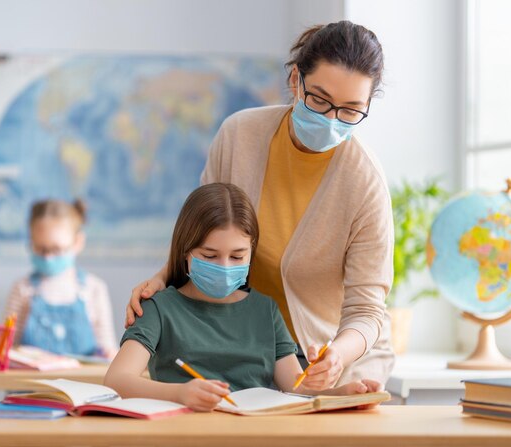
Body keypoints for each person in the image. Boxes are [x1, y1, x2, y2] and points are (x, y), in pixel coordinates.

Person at [126, 20, 395, 389]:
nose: (331, 119)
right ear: (295, 81)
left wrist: (337, 355)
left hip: (321, 357)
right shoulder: (240, 135)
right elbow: (202, 230)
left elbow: (367, 309)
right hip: (242, 345)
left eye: (350, 110)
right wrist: (161, 279)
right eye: (319, 99)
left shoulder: (365, 182)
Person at [105, 183, 381, 411]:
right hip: (185, 435)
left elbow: (296, 388)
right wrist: (179, 394)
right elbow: (117, 380)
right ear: (185, 252)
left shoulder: (265, 310)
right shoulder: (159, 308)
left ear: (251, 252)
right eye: (209, 256)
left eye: (237, 256)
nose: (225, 267)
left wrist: (344, 395)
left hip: (255, 436)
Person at [5, 199, 117, 358]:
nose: (48, 257)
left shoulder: (94, 289)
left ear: (78, 242)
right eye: (40, 249)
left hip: (82, 382)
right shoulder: (22, 289)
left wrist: (108, 353)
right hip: (31, 382)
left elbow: (108, 348)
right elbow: (7, 347)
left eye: (56, 249)